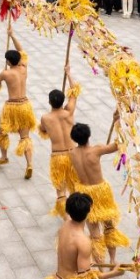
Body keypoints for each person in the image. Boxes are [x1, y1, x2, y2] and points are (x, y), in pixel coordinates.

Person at [68, 122, 129, 279]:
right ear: (88, 137)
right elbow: (118, 144)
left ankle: (103, 273)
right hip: (101, 193)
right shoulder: (96, 150)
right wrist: (119, 122)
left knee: (95, 236)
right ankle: (112, 260)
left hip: (85, 193)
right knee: (109, 228)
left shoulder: (72, 153)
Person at [0, 28, 36, 178]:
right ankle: (29, 164)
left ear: (8, 62)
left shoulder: (6, 73)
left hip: (12, 106)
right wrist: (12, 35)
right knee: (25, 137)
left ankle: (4, 156)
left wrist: (0, 74)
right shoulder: (23, 67)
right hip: (25, 105)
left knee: (2, 131)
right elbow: (21, 50)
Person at [39, 67, 81, 218]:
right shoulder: (69, 112)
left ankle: (66, 218)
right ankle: (76, 214)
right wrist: (69, 74)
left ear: (49, 102)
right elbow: (75, 90)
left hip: (57, 157)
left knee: (61, 191)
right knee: (75, 188)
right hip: (73, 154)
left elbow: (43, 130)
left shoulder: (45, 118)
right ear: (63, 101)